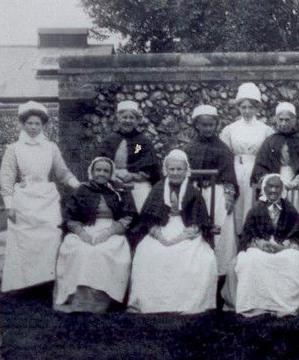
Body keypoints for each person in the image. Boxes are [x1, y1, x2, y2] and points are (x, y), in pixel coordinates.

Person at [1, 101, 80, 293]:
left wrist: (78, 186)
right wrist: (9, 204)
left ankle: (47, 282)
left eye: (37, 123)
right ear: (22, 124)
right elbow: (7, 176)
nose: (33, 127)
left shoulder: (51, 147)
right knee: (24, 242)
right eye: (29, 123)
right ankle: (24, 284)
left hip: (47, 199)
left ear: (43, 125)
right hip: (24, 200)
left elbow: (62, 172)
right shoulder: (14, 148)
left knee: (50, 237)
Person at [128, 149, 217, 314]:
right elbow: (149, 218)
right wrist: (160, 236)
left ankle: (184, 303)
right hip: (161, 227)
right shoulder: (157, 189)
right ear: (166, 170)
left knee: (197, 256)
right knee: (146, 251)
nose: (175, 173)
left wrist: (181, 237)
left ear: (186, 170)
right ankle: (153, 303)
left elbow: (199, 219)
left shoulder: (193, 192)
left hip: (186, 228)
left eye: (179, 169)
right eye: (172, 169)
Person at [53, 157, 137, 313]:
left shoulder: (117, 191)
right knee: (79, 250)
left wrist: (109, 232)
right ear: (92, 172)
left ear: (110, 173)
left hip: (112, 230)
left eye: (106, 171)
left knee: (104, 252)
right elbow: (70, 216)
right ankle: (78, 300)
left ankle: (100, 302)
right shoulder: (81, 190)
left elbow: (128, 216)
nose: (102, 173)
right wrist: (81, 233)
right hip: (85, 228)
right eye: (98, 170)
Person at [226, 174, 299, 317]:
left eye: (277, 187)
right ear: (264, 188)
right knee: (250, 260)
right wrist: (260, 244)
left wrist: (284, 245)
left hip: (284, 248)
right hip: (260, 247)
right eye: (270, 186)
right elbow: (247, 236)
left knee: (293, 259)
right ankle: (254, 304)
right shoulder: (256, 210)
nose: (273, 190)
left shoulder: (290, 210)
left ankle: (284, 305)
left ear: (282, 189)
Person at [251, 102, 299, 258]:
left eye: (288, 120)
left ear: (294, 121)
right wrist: (275, 180)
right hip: (275, 186)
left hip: (298, 189)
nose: (284, 123)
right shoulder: (269, 142)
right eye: (281, 120)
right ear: (275, 120)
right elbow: (260, 169)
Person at [185, 105, 238, 285]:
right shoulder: (189, 148)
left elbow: (229, 175)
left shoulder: (222, 149)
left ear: (216, 125)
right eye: (203, 125)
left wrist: (229, 195)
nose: (207, 128)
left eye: (211, 125)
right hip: (195, 194)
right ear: (196, 126)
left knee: (220, 232)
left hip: (217, 194)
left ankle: (221, 275)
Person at [220, 83, 275, 233]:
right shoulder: (230, 129)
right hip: (236, 170)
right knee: (237, 203)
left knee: (253, 203)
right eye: (243, 107)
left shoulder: (266, 130)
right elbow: (225, 155)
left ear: (257, 108)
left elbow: (269, 156)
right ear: (238, 108)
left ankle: (253, 236)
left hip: (256, 171)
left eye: (251, 107)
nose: (247, 111)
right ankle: (236, 237)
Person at [98, 100, 161, 212]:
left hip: (137, 182)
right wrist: (113, 175)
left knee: (142, 207)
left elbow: (143, 160)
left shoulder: (140, 142)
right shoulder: (110, 140)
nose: (128, 121)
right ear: (118, 119)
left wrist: (133, 175)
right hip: (112, 180)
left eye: (132, 118)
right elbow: (101, 161)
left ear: (137, 120)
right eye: (124, 117)